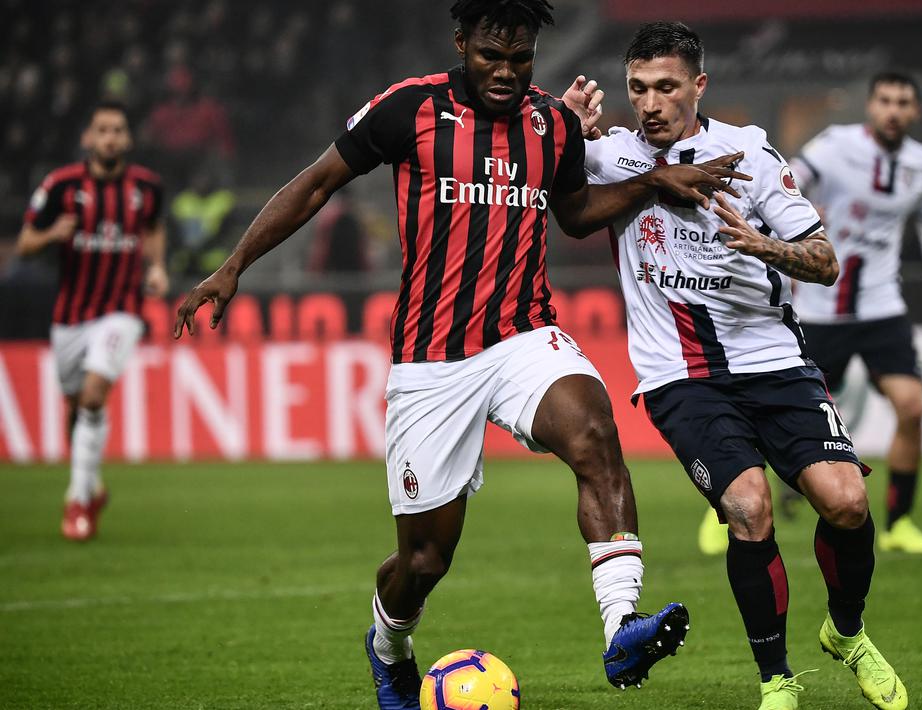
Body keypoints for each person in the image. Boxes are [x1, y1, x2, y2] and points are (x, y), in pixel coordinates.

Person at [172, 2, 746, 708]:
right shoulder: (408, 109)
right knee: (423, 561)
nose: (505, 72)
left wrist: (651, 182)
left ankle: (621, 625)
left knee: (596, 434)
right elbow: (317, 182)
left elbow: (572, 214)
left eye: (520, 58)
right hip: (431, 360)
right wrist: (233, 266)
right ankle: (388, 647)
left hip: (523, 336)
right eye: (490, 56)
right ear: (460, 44)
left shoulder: (551, 123)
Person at [582, 22, 908, 710]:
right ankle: (776, 679)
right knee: (749, 507)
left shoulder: (750, 153)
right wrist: (565, 129)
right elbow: (562, 204)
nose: (650, 103)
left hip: (775, 361)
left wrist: (764, 246)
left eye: (666, 86)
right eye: (637, 88)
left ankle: (846, 632)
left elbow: (822, 261)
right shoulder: (609, 157)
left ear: (698, 85)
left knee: (847, 503)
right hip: (680, 375)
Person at [787, 72, 922, 554]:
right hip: (821, 309)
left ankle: (899, 524)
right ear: (870, 106)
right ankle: (725, 510)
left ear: (916, 111)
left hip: (883, 307)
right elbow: (783, 183)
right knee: (780, 415)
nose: (893, 110)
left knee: (912, 406)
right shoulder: (834, 145)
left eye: (903, 102)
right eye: (885, 100)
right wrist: (799, 217)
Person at [15, 100, 168, 541]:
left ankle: (77, 502)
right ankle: (92, 487)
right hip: (70, 317)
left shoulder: (146, 187)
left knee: (95, 395)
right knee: (76, 406)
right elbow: (24, 244)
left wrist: (157, 267)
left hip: (122, 311)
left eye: (118, 130)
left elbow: (154, 228)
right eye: (102, 130)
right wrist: (51, 234)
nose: (110, 138)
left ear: (128, 138)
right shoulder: (60, 186)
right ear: (88, 137)